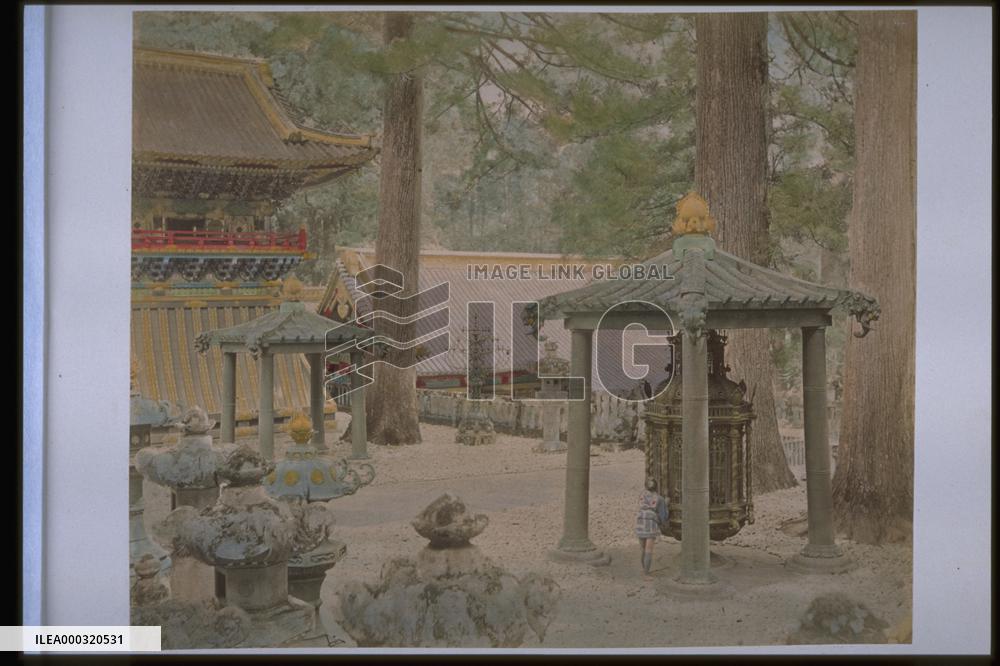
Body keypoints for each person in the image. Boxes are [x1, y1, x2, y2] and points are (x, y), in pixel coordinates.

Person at [635, 477, 669, 579]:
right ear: (656, 486)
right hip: (650, 524)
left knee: (643, 549)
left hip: (640, 522)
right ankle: (646, 574)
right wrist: (666, 503)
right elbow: (664, 516)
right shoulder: (659, 498)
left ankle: (643, 570)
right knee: (648, 550)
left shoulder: (641, 495)